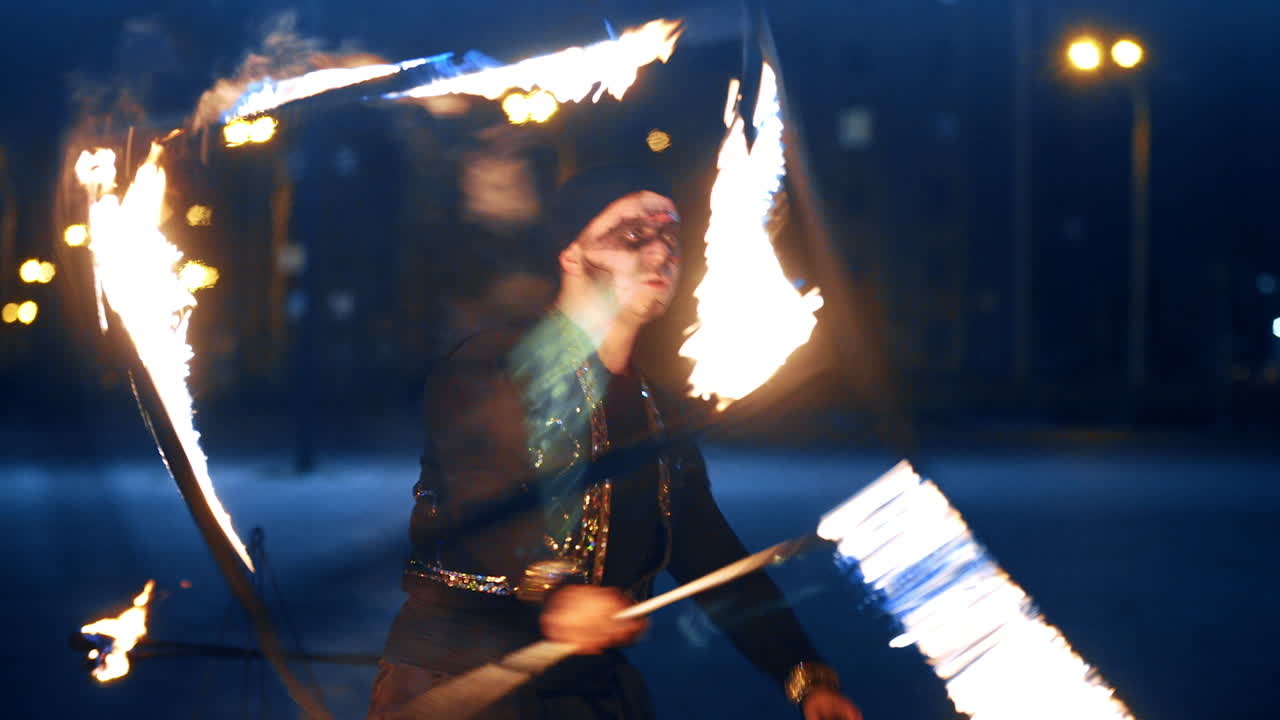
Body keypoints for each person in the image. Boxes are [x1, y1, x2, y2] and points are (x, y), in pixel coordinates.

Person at [369, 165, 861, 720]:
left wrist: (805, 675)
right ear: (571, 253)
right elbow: (489, 498)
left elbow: (709, 555)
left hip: (590, 693)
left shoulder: (654, 409)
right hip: (461, 681)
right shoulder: (495, 364)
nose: (661, 251)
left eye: (669, 235)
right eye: (632, 235)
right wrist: (556, 589)